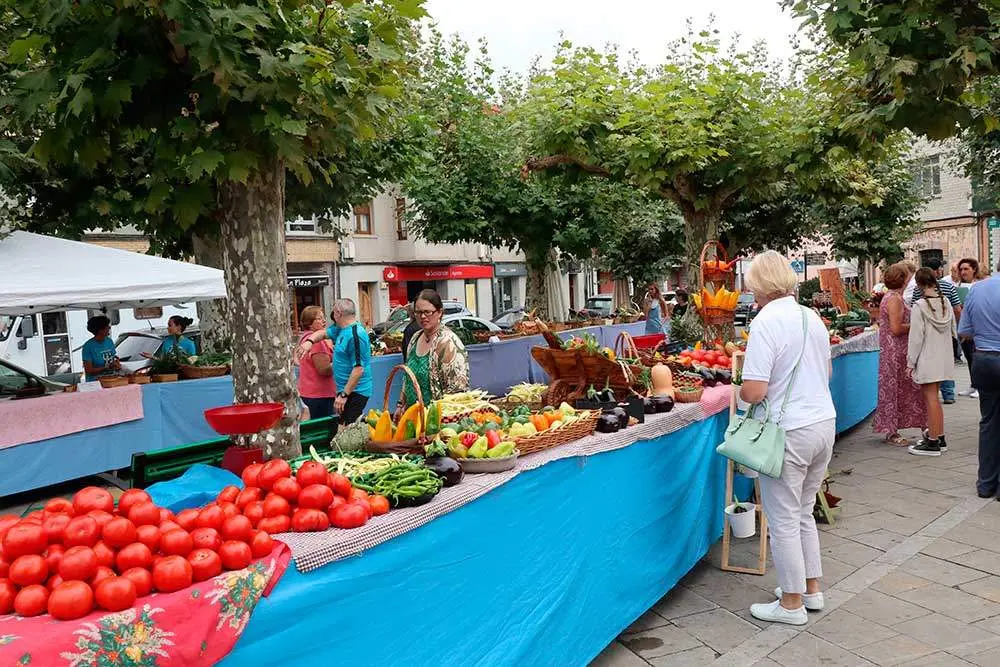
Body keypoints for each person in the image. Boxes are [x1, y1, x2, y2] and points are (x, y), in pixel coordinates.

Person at [739, 251, 836, 626]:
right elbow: (825, 371)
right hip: (822, 422)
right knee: (803, 512)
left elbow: (755, 390)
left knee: (782, 519)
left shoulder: (765, 322)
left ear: (757, 284)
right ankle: (811, 589)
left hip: (787, 431)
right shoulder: (810, 317)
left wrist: (741, 392)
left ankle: (791, 603)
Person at [294, 299, 372, 429]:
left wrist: (344, 395)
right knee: (340, 427)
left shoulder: (356, 335)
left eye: (333, 311)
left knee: (345, 430)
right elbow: (322, 333)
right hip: (340, 390)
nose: (329, 317)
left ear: (338, 313)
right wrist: (310, 342)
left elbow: (358, 369)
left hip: (355, 392)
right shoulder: (340, 329)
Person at [957, 259, 1000, 497]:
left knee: (989, 422)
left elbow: (964, 331)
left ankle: (985, 483)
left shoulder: (977, 289)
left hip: (983, 359)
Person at [873, 263, 926, 446]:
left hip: (894, 350)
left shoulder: (891, 296)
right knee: (897, 389)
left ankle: (899, 427)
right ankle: (892, 431)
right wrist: (918, 326)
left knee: (900, 389)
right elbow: (896, 328)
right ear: (903, 279)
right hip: (896, 351)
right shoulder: (894, 298)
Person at [907, 268, 957, 457]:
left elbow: (916, 338)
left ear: (919, 285)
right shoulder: (946, 303)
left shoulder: (919, 306)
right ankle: (940, 436)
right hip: (943, 357)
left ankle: (933, 442)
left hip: (928, 357)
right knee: (936, 399)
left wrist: (910, 362)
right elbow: (953, 330)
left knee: (931, 400)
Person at [397, 289, 469, 413]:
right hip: (412, 416)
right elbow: (407, 378)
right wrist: (400, 404)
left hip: (436, 420)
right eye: (418, 312)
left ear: (440, 312)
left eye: (428, 312)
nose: (423, 316)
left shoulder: (448, 342)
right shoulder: (415, 338)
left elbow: (457, 390)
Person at [910, 258, 962, 404]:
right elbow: (957, 309)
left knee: (931, 395)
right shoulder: (948, 291)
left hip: (927, 345)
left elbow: (916, 335)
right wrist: (956, 332)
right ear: (936, 271)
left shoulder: (918, 296)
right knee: (943, 366)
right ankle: (949, 394)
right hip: (944, 339)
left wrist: (911, 361)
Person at [295, 306, 336, 420]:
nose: (323, 321)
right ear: (309, 323)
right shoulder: (317, 342)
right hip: (320, 394)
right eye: (319, 318)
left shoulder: (305, 338)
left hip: (309, 392)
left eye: (324, 317)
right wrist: (342, 363)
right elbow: (324, 369)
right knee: (324, 429)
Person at [957, 258, 981, 399]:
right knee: (968, 356)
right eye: (961, 269)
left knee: (976, 357)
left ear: (974, 269)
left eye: (966, 269)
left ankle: (979, 386)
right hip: (963, 324)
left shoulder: (978, 285)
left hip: (976, 327)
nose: (963, 272)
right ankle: (973, 385)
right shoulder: (959, 285)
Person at [81, 315, 121, 382]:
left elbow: (113, 359)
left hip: (111, 380)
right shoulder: (88, 346)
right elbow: (89, 370)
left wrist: (116, 364)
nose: (109, 327)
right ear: (100, 330)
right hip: (96, 384)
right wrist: (106, 368)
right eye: (107, 326)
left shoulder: (109, 341)